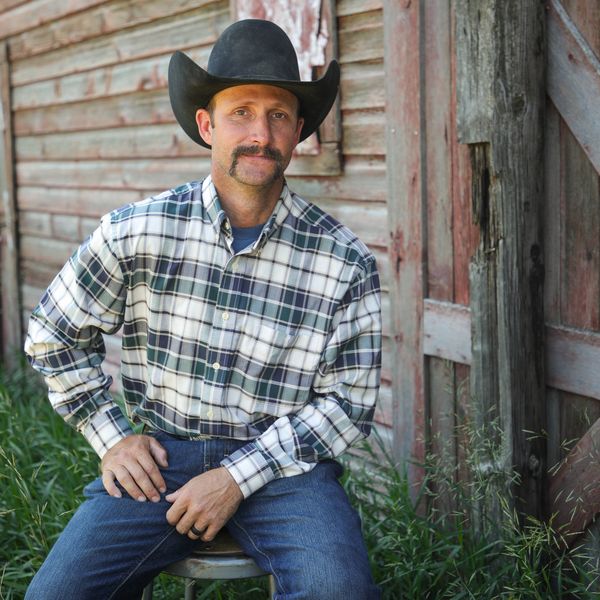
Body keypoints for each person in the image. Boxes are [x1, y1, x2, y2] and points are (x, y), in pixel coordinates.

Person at [24, 19, 381, 600]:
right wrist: (111, 436)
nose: (260, 133)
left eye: (279, 115)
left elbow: (349, 403)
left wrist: (237, 477)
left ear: (298, 133)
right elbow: (51, 334)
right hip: (160, 461)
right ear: (206, 124)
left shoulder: (344, 260)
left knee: (338, 591)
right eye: (241, 111)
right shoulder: (137, 232)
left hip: (288, 473)